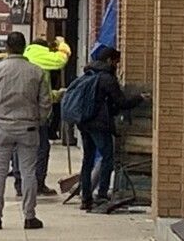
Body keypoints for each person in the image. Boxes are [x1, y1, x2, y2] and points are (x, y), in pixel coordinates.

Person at [0, 31, 52, 231]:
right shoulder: (36, 71)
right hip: (28, 126)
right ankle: (29, 216)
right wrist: (39, 120)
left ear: (7, 48)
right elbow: (45, 102)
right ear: (24, 47)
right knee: (29, 172)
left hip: (3, 126)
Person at [78, 47, 144, 211]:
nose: (117, 65)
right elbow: (122, 102)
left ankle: (86, 197)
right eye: (116, 62)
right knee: (108, 158)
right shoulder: (107, 78)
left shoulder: (88, 74)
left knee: (87, 159)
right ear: (109, 61)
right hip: (100, 124)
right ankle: (101, 195)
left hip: (84, 123)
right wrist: (140, 98)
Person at [12, 38, 69, 197]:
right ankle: (38, 183)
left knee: (18, 148)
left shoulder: (26, 53)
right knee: (42, 148)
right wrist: (62, 44)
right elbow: (61, 60)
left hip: (16, 111)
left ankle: (19, 183)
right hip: (36, 113)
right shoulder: (40, 54)